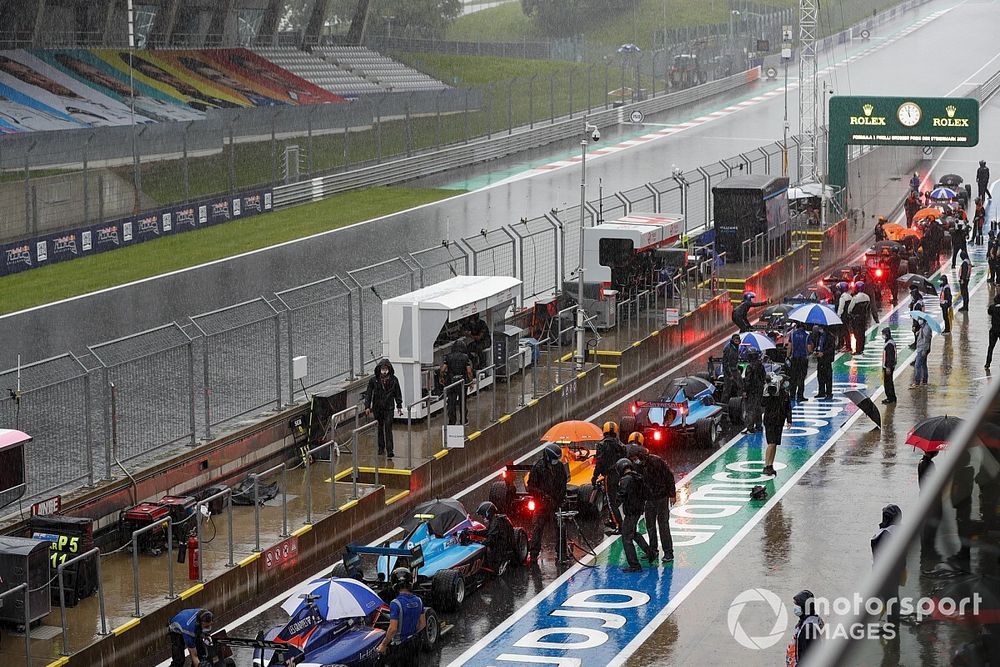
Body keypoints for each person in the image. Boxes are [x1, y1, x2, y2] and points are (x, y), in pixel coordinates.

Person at [526, 443, 568, 563]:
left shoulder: (559, 467)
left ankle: (562, 554)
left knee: (560, 528)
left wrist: (559, 499)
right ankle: (534, 555)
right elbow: (531, 487)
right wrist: (543, 497)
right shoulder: (538, 468)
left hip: (556, 503)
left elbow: (563, 484)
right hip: (542, 505)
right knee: (537, 529)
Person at [378, 568, 426, 666]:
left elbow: (393, 628)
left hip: (400, 647)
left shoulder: (395, 603)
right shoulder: (419, 600)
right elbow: (423, 624)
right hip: (414, 644)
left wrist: (383, 644)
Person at [871, 504, 906, 631]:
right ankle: (893, 623)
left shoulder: (884, 534)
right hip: (898, 570)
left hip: (885, 573)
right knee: (894, 598)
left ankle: (892, 627)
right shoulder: (901, 531)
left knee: (890, 599)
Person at [638, 450, 675, 563]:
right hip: (650, 498)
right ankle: (653, 550)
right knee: (650, 525)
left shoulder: (657, 462)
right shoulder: (640, 466)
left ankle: (668, 552)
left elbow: (669, 476)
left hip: (661, 497)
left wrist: (672, 494)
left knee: (663, 524)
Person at [616, 458, 653, 572]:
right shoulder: (638, 477)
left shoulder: (625, 480)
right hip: (638, 509)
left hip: (631, 511)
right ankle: (650, 552)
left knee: (626, 538)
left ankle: (634, 565)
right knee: (633, 533)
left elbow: (621, 495)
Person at [592, 422, 626, 534]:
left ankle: (619, 525)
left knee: (611, 502)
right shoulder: (620, 445)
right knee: (616, 498)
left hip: (609, 475)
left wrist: (595, 476)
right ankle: (614, 520)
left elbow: (599, 462)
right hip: (620, 474)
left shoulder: (601, 445)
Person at [465, 501, 517, 572]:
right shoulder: (495, 520)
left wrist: (475, 542)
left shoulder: (496, 523)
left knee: (490, 566)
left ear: (488, 513)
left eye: (483, 515)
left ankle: (497, 565)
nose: (483, 517)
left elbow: (490, 540)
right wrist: (474, 532)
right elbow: (488, 532)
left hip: (502, 550)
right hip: (502, 545)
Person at [365, 359, 402, 458]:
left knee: (388, 427)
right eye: (382, 369)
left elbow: (398, 393)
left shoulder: (394, 380)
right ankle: (381, 448)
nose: (384, 371)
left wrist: (399, 406)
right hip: (377, 408)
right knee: (379, 428)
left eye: (386, 369)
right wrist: (367, 406)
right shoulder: (373, 380)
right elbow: (368, 394)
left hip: (389, 407)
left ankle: (390, 450)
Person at [761, 372, 793, 477]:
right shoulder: (771, 392)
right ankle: (766, 465)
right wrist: (767, 392)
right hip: (770, 420)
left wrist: (789, 420)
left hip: (779, 420)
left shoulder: (785, 394)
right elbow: (763, 403)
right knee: (771, 442)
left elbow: (788, 407)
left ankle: (770, 465)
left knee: (775, 444)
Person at [785, 589, 824, 667]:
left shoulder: (808, 628)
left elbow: (807, 656)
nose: (795, 607)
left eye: (798, 605)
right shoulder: (809, 620)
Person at [439, 340, 473, 426]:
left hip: (451, 383)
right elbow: (469, 371)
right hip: (462, 382)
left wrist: (442, 377)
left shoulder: (448, 357)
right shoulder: (465, 357)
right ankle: (463, 420)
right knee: (463, 402)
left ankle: (452, 421)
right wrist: (471, 381)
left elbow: (443, 369)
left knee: (451, 402)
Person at [741, 348, 766, 433]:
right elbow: (764, 378)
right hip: (759, 390)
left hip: (752, 390)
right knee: (758, 408)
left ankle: (750, 428)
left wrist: (745, 391)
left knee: (750, 409)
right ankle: (759, 426)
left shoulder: (750, 367)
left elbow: (748, 380)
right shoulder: (761, 366)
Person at [847, 281, 874, 354]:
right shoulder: (867, 297)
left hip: (856, 319)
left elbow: (850, 309)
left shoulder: (855, 298)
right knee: (862, 333)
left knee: (857, 334)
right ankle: (861, 348)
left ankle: (857, 350)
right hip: (863, 318)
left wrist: (850, 314)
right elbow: (868, 308)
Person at [787, 322, 810, 403]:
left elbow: (789, 346)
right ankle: (800, 396)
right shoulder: (807, 335)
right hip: (803, 359)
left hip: (794, 359)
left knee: (793, 378)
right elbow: (809, 348)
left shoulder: (792, 334)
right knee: (801, 378)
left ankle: (792, 395)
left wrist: (787, 356)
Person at [813, 325, 835, 400]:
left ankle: (829, 393)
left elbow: (831, 348)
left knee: (828, 377)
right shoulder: (818, 336)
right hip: (820, 359)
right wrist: (816, 351)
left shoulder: (830, 337)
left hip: (827, 359)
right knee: (820, 376)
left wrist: (823, 353)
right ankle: (821, 392)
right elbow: (817, 345)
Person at [721, 334, 743, 401]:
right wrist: (729, 375)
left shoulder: (736, 347)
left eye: (738, 341)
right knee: (727, 388)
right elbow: (725, 363)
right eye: (735, 341)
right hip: (729, 370)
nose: (737, 342)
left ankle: (739, 401)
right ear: (733, 340)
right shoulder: (728, 349)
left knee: (740, 384)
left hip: (734, 369)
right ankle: (724, 403)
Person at [911, 317, 931, 388]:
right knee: (923, 365)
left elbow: (926, 340)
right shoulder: (923, 327)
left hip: (922, 349)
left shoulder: (926, 328)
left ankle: (917, 382)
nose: (919, 321)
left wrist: (924, 350)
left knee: (917, 365)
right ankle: (924, 381)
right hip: (921, 348)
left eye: (920, 319)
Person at [881, 327, 897, 405]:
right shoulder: (890, 342)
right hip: (888, 366)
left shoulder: (889, 344)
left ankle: (890, 398)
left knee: (888, 383)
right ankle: (891, 397)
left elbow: (890, 357)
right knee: (888, 382)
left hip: (888, 367)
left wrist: (888, 367)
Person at [986, 293, 1000, 369]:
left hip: (993, 330)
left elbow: (989, 312)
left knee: (991, 347)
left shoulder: (992, 307)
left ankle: (987, 363)